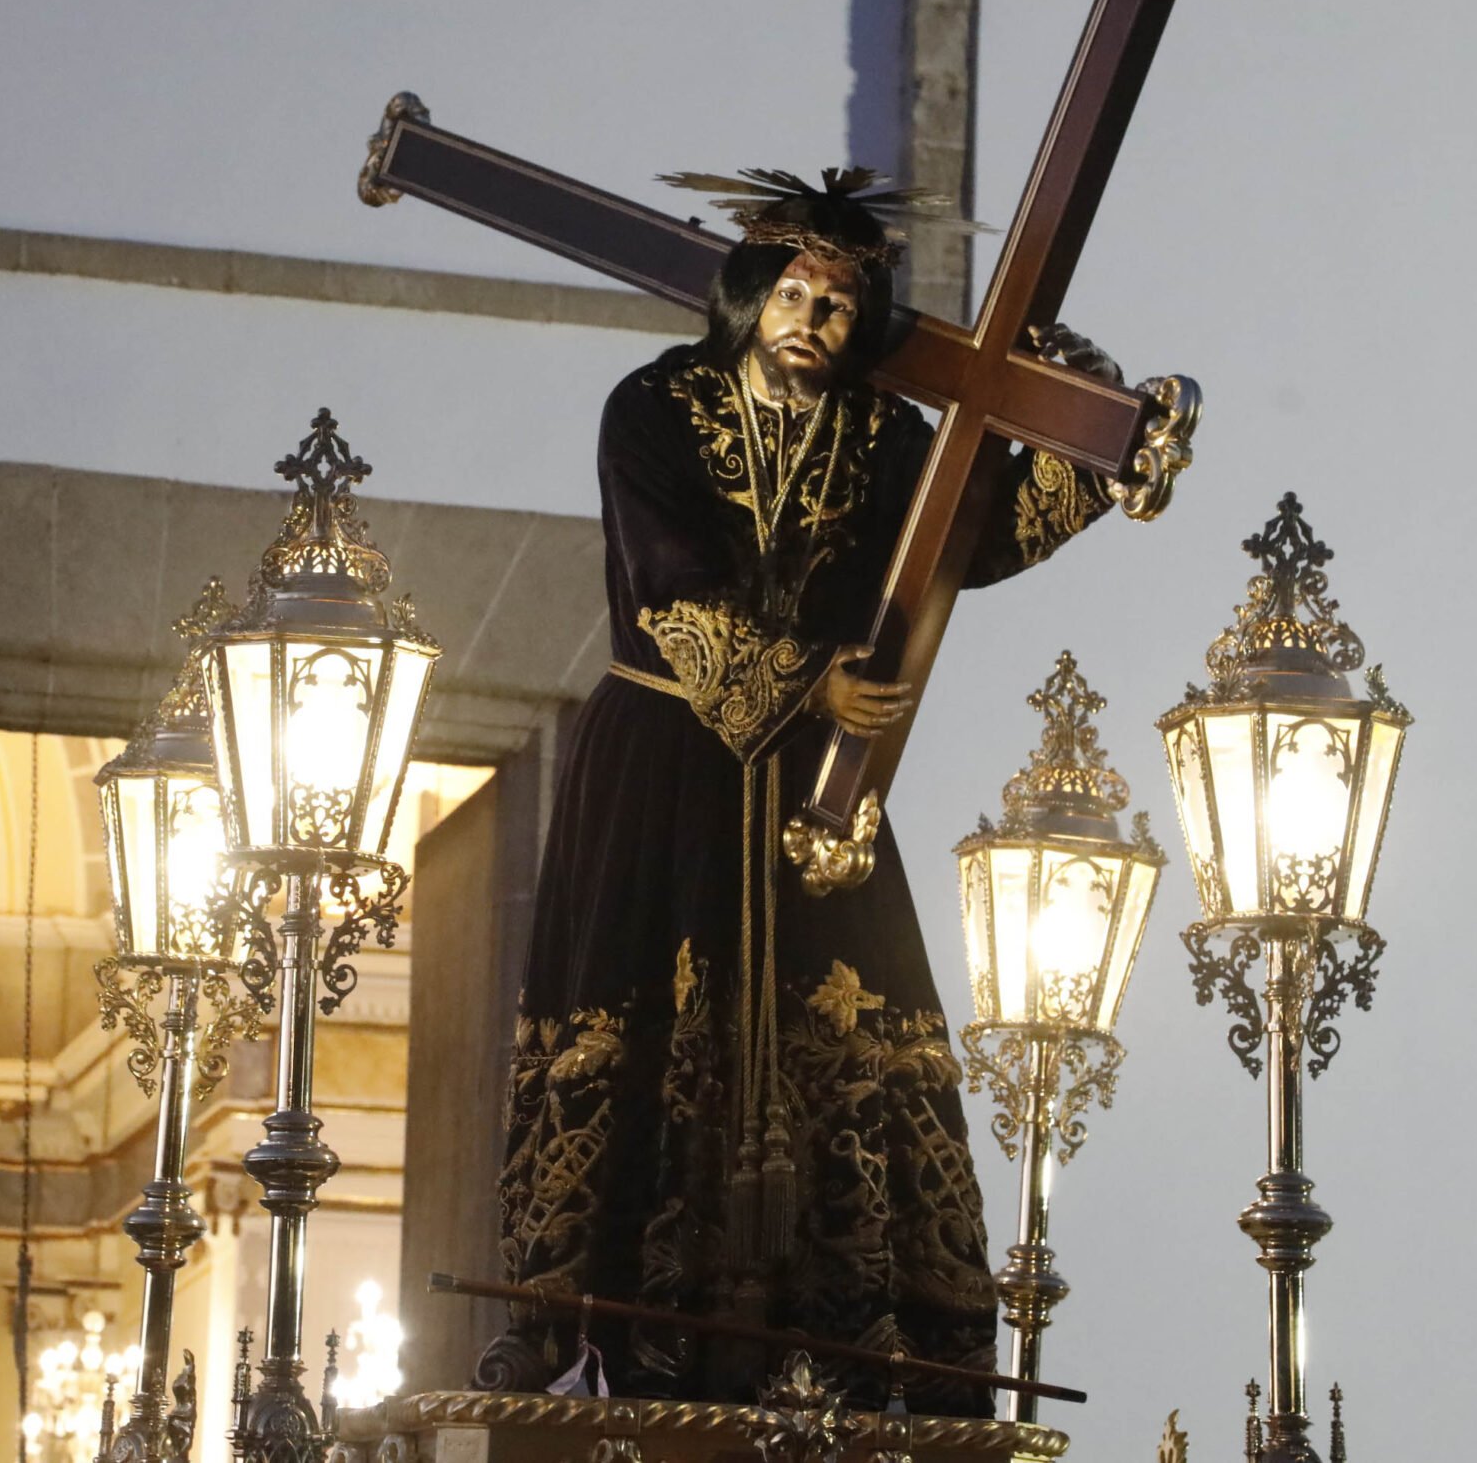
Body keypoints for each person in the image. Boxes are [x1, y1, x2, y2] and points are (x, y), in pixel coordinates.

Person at [472, 169, 1121, 1412]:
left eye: (838, 300)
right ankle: (592, 1327)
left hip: (822, 786)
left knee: (851, 1026)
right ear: (752, 295)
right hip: (665, 756)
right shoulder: (655, 404)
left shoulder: (886, 435)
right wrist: (807, 679)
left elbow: (965, 537)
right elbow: (662, 580)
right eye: (796, 290)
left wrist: (1094, 440)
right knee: (634, 1026)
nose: (814, 316)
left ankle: (852, 1337)